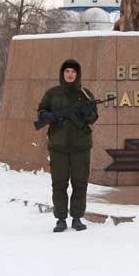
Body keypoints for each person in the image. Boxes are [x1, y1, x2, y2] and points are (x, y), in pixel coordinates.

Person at [37, 59, 98, 233]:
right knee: (59, 184)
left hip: (81, 147)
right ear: (62, 74)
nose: (70, 74)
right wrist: (48, 116)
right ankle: (61, 218)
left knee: (80, 183)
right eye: (67, 71)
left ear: (77, 74)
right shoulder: (52, 93)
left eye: (73, 71)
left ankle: (77, 217)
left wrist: (87, 113)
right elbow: (41, 111)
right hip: (59, 146)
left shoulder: (85, 94)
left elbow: (93, 117)